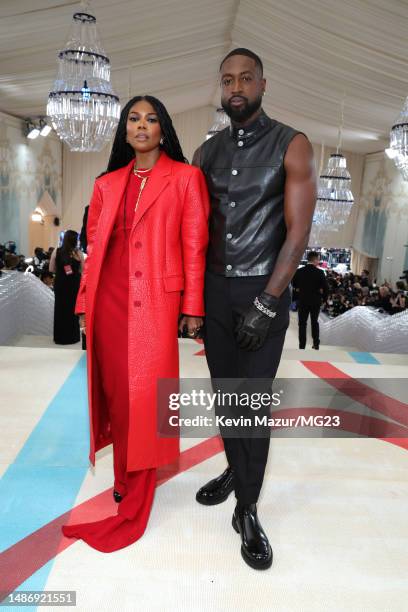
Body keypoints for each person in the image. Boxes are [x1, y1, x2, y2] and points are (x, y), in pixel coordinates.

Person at [61, 95, 209, 552]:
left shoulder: (186, 178)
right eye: (133, 118)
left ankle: (136, 496)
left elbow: (194, 245)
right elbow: (92, 252)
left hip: (156, 304)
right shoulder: (107, 183)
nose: (141, 125)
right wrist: (85, 301)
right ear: (125, 130)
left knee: (144, 397)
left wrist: (193, 307)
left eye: (151, 119)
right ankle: (123, 477)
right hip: (109, 299)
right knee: (115, 393)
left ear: (164, 128)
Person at [192, 48, 316, 569]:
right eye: (227, 80)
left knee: (253, 401)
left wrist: (269, 300)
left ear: (264, 83)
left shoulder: (293, 143)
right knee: (225, 395)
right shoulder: (206, 153)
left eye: (245, 78)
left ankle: (248, 507)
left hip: (263, 288)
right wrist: (191, 299)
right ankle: (233, 468)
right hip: (214, 290)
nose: (236, 87)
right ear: (220, 88)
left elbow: (299, 232)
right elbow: (195, 233)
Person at [49, 230, 84, 344]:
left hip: (61, 284)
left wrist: (60, 272)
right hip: (74, 284)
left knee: (60, 309)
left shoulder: (57, 251)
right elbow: (82, 270)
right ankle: (73, 337)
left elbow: (51, 269)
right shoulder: (78, 253)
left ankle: (59, 337)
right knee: (73, 309)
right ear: (74, 240)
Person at [292, 250, 329, 349]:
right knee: (314, 322)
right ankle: (316, 344)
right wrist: (325, 300)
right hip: (315, 301)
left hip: (303, 300)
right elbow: (326, 287)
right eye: (318, 260)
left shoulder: (299, 271)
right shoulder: (320, 272)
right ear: (315, 260)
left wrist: (298, 290)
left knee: (302, 323)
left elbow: (294, 284)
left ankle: (302, 345)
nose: (319, 261)